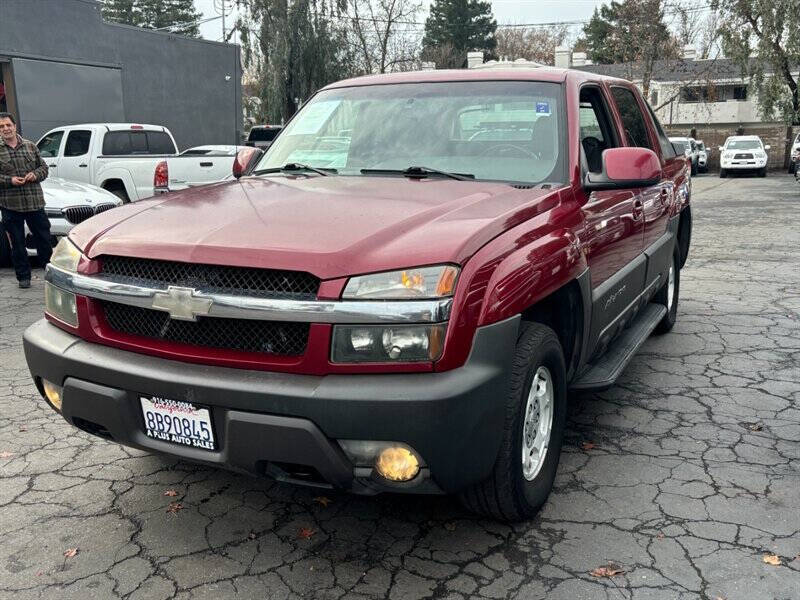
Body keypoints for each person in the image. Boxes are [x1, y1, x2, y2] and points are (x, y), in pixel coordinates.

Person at [0, 112, 51, 288]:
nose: (5, 129)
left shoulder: (30, 146)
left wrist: (35, 174)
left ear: (14, 126)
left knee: (44, 239)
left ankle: (50, 272)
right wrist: (9, 180)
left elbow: (44, 168)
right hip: (10, 205)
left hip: (35, 202)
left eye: (8, 125)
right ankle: (23, 277)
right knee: (17, 243)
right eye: (1, 126)